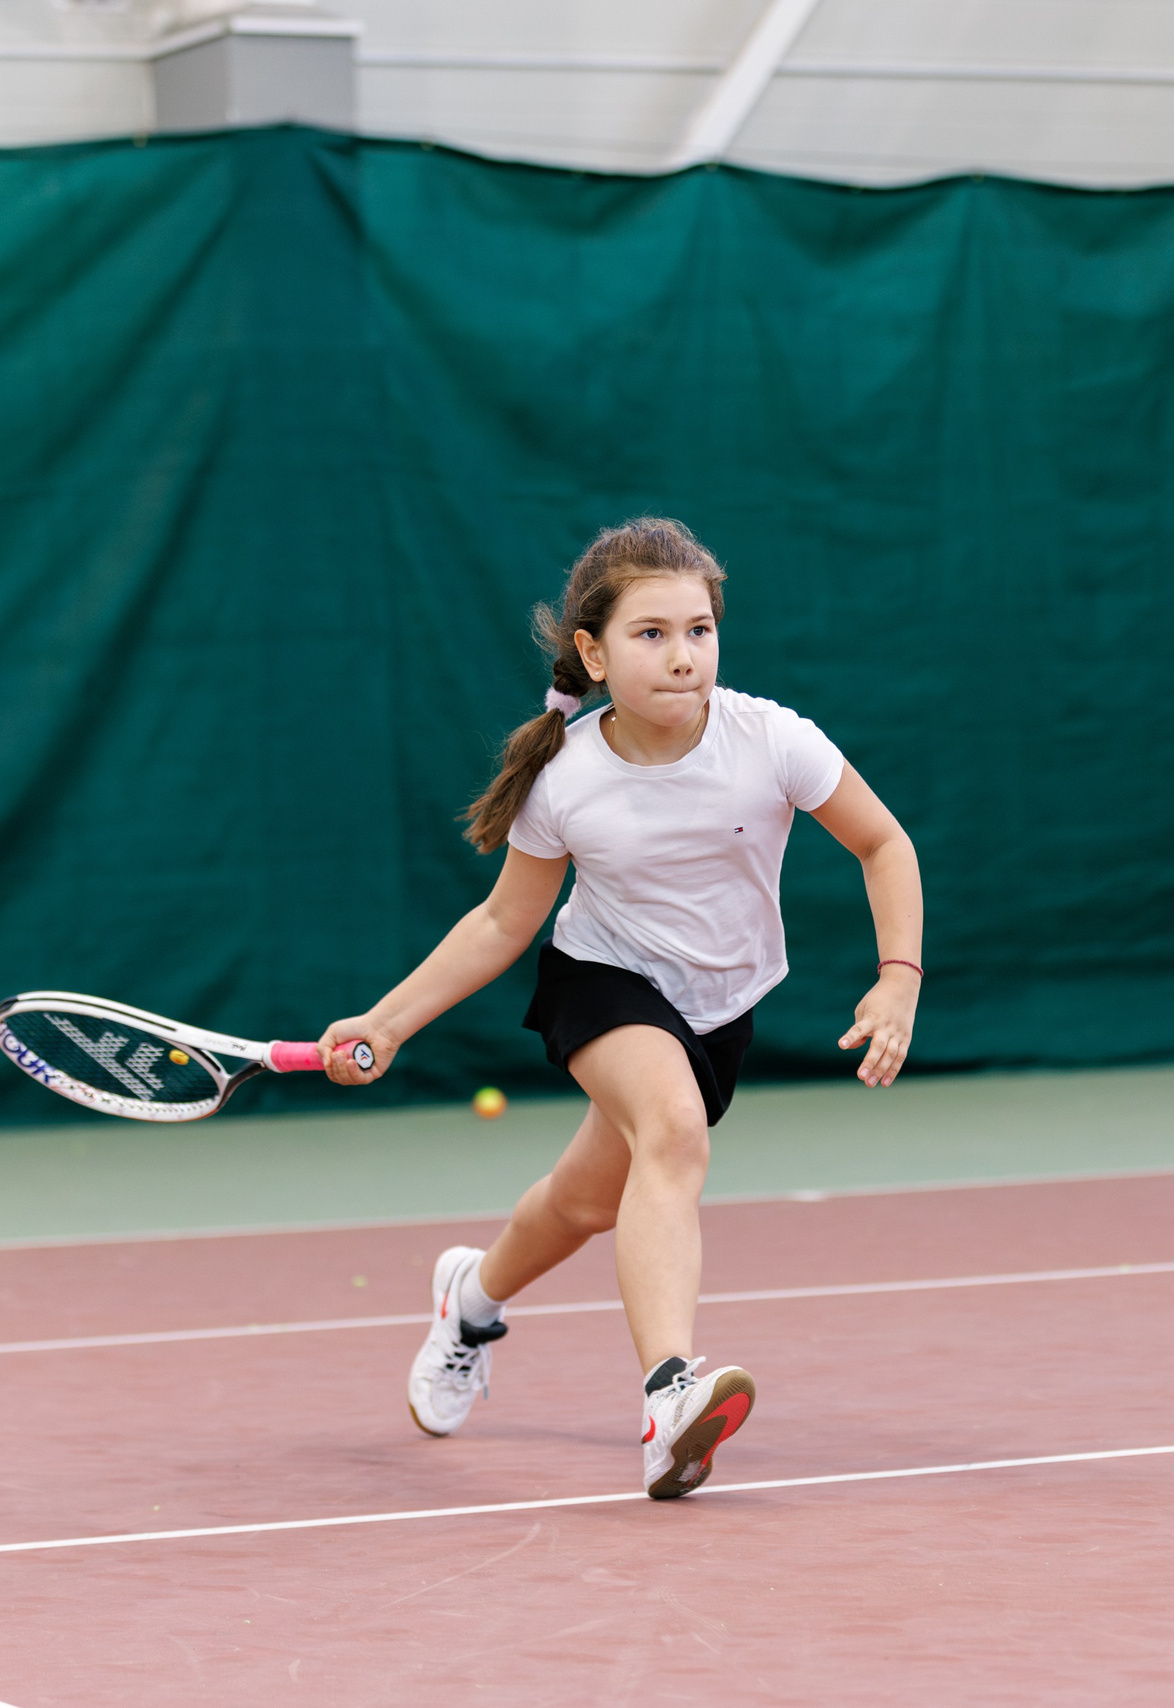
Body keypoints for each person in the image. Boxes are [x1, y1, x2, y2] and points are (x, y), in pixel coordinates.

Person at [314, 517, 923, 1500]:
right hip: (600, 979)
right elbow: (502, 922)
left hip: (720, 1002)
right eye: (651, 634)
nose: (682, 657)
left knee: (586, 1201)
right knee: (674, 1134)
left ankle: (469, 1299)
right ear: (593, 652)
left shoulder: (771, 739)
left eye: (698, 630)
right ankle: (669, 1396)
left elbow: (883, 843)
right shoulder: (564, 780)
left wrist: (899, 973)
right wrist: (386, 1021)